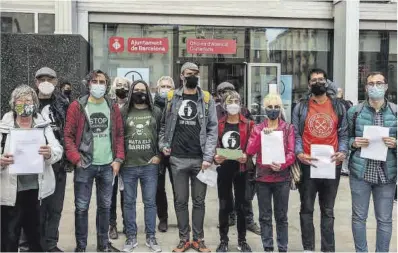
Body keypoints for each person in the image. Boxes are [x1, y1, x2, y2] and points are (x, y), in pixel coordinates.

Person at [159, 62, 218, 252]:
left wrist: (208, 157)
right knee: (180, 201)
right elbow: (163, 127)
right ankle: (184, 239)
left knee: (199, 201)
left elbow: (212, 129)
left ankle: (198, 239)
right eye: (188, 73)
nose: (192, 76)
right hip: (177, 159)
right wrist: (163, 145)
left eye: (195, 73)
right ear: (182, 76)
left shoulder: (206, 99)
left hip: (200, 160)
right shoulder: (171, 98)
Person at [64, 69, 125, 252]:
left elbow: (120, 134)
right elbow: (68, 136)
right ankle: (81, 247)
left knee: (105, 207)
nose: (98, 85)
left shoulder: (112, 106)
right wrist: (76, 159)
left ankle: (103, 245)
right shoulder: (78, 106)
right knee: (82, 208)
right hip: (85, 164)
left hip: (107, 165)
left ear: (106, 85)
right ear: (88, 84)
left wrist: (118, 159)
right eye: (95, 81)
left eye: (102, 82)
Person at [0, 85, 63, 252]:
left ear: (35, 103)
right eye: (19, 100)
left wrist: (49, 153)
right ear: (13, 103)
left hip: (37, 192)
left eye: (28, 100)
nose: (24, 103)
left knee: (37, 238)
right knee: (9, 238)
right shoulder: (3, 127)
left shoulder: (43, 126)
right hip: (10, 193)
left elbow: (58, 149)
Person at [292, 68, 348, 252]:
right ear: (309, 85)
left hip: (332, 165)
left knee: (328, 211)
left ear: (327, 82)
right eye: (314, 80)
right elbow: (296, 134)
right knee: (306, 209)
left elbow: (344, 134)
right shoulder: (301, 106)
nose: (318, 82)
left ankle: (328, 249)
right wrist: (299, 153)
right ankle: (308, 248)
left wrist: (343, 152)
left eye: (321, 79)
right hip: (308, 165)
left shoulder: (338, 106)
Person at [347, 72, 397, 252]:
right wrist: (353, 143)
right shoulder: (355, 112)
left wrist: (396, 143)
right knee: (359, 218)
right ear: (366, 87)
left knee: (384, 219)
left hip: (386, 175)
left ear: (385, 86)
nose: (374, 87)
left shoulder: (395, 111)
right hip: (360, 174)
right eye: (371, 84)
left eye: (378, 83)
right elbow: (345, 138)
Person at [246, 93, 296, 252]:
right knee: (265, 217)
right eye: (270, 107)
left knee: (281, 217)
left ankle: (282, 248)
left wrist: (282, 164)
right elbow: (249, 150)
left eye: (276, 107)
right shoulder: (258, 128)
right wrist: (261, 136)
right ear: (264, 108)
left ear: (280, 108)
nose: (273, 110)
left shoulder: (288, 128)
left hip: (282, 178)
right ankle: (268, 247)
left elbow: (291, 152)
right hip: (263, 179)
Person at [120, 79, 163, 252]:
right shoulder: (123, 112)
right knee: (129, 203)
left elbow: (163, 134)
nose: (140, 93)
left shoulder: (156, 112)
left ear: (148, 92)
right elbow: (117, 136)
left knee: (150, 203)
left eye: (142, 90)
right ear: (131, 92)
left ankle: (151, 237)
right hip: (128, 166)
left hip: (149, 166)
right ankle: (131, 238)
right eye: (136, 90)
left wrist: (159, 156)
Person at [215, 82, 260, 236]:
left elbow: (253, 137)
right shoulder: (217, 117)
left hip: (242, 166)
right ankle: (227, 224)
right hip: (225, 165)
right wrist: (215, 156)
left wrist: (247, 154)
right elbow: (213, 139)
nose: (233, 104)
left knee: (244, 200)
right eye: (226, 96)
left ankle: (247, 224)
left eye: (236, 101)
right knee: (225, 201)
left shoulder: (246, 115)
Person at [34, 67, 69, 252]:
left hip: (58, 164)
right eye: (41, 79)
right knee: (37, 209)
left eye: (49, 79)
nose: (45, 82)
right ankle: (36, 244)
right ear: (36, 83)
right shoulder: (28, 104)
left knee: (55, 207)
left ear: (55, 82)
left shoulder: (63, 104)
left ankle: (51, 243)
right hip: (35, 165)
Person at [108, 76, 131, 239]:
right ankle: (112, 225)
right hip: (112, 155)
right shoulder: (109, 105)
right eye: (119, 85)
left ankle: (127, 224)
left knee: (127, 194)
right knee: (111, 193)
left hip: (129, 156)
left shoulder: (133, 106)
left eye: (125, 85)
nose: (121, 88)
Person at [154, 76, 176, 232]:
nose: (165, 89)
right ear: (157, 88)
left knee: (179, 189)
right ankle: (163, 218)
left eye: (169, 86)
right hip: (157, 153)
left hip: (175, 153)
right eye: (163, 86)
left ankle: (181, 218)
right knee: (159, 189)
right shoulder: (151, 105)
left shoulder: (177, 105)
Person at [336, 87, 353, 177]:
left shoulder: (346, 103)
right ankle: (344, 168)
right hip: (340, 129)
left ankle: (344, 168)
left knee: (344, 149)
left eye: (339, 92)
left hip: (343, 128)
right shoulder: (335, 103)